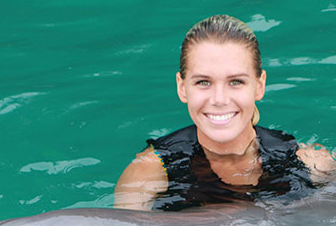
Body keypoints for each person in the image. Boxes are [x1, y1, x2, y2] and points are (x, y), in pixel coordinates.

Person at [114, 15, 336, 211]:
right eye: (203, 82)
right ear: (182, 88)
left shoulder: (306, 162)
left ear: (260, 86)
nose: (219, 99)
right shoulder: (150, 171)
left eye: (236, 82)